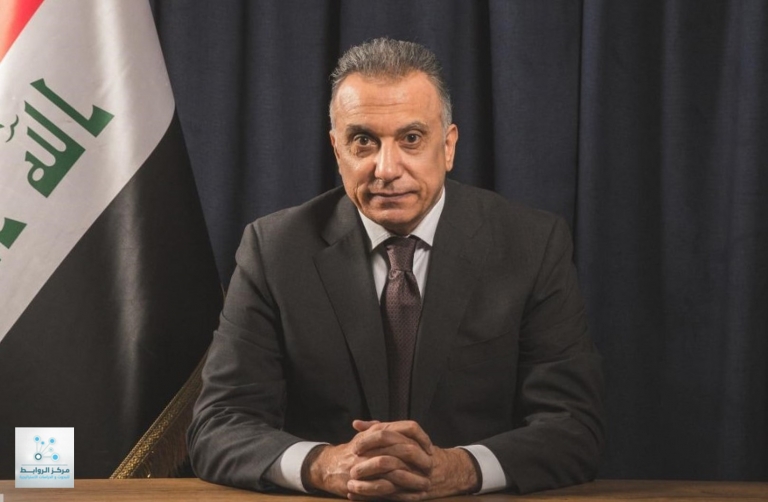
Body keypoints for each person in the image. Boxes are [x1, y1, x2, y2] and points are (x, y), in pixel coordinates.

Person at [187, 38, 604, 499]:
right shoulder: (274, 249)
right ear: (337, 150)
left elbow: (574, 428)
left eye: (411, 139)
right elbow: (218, 425)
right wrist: (325, 465)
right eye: (363, 141)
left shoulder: (531, 244)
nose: (386, 169)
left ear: (448, 146)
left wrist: (460, 469)